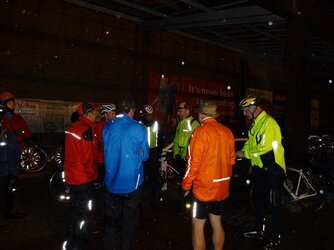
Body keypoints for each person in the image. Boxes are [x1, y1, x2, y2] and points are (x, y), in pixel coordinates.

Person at [182, 100, 235, 250]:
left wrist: (186, 185)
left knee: (198, 227)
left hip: (203, 189)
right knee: (217, 223)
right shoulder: (227, 132)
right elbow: (231, 160)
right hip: (222, 187)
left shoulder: (200, 131)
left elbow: (193, 163)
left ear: (200, 115)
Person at [235, 95, 286, 250]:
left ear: (253, 108)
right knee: (259, 200)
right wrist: (240, 152)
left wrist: (246, 155)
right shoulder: (255, 124)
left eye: (245, 110)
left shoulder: (269, 123)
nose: (244, 114)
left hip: (273, 168)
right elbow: (250, 143)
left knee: (273, 204)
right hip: (260, 167)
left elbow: (264, 148)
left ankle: (276, 237)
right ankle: (259, 230)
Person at [102, 98, 149, 250]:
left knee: (111, 220)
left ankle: (108, 245)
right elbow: (145, 155)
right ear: (131, 110)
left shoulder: (107, 127)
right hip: (132, 182)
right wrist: (137, 152)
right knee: (129, 220)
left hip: (111, 181)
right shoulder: (138, 127)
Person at [63, 102, 99, 250]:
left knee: (74, 208)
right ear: (89, 113)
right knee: (83, 211)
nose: (97, 113)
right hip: (83, 177)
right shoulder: (86, 130)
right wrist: (94, 175)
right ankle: (78, 241)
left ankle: (73, 234)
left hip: (72, 176)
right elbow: (88, 158)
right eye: (95, 111)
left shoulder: (73, 127)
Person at [0, 104, 26, 219]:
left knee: (9, 189)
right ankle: (8, 212)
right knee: (7, 190)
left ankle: (8, 210)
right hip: (6, 168)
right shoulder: (4, 133)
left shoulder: (6, 132)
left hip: (10, 167)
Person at [139, 104, 161, 208]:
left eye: (151, 116)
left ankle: (154, 199)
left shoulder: (156, 124)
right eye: (148, 116)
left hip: (153, 153)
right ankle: (141, 199)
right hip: (142, 154)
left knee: (154, 178)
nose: (150, 118)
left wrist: (158, 152)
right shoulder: (138, 124)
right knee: (142, 177)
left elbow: (160, 138)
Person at [172, 102, 199, 180]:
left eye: (180, 111)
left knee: (187, 181)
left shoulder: (194, 124)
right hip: (180, 158)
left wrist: (184, 157)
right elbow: (176, 140)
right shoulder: (180, 123)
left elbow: (193, 144)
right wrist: (176, 154)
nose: (178, 113)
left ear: (187, 111)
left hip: (187, 159)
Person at [95, 103, 117, 182]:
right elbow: (102, 142)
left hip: (109, 157)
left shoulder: (112, 124)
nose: (114, 116)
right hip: (102, 159)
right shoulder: (101, 125)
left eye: (115, 113)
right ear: (106, 114)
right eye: (112, 113)